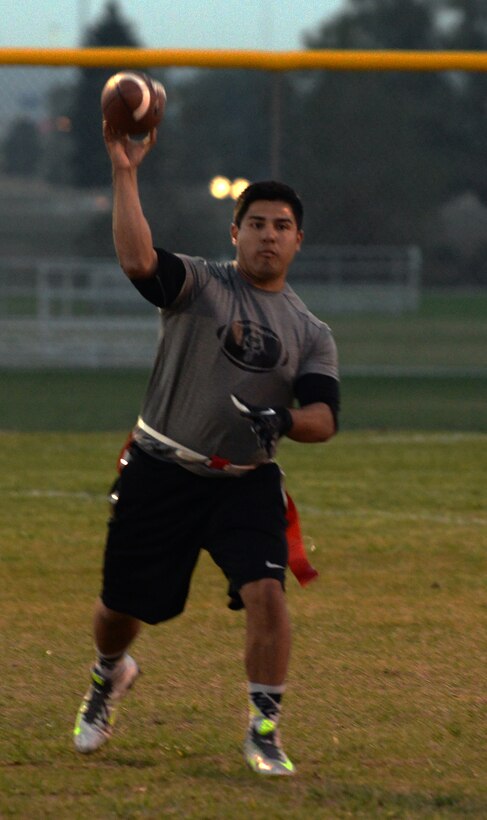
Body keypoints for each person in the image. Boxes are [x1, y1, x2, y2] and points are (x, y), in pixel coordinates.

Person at [73, 123, 340, 776]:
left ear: (297, 240)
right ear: (235, 233)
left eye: (281, 225)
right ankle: (111, 674)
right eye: (255, 223)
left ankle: (265, 727)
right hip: (162, 466)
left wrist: (285, 418)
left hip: (246, 479)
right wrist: (124, 170)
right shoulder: (201, 285)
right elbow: (138, 261)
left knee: (267, 595)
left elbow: (323, 417)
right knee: (118, 610)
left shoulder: (309, 332)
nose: (268, 234)